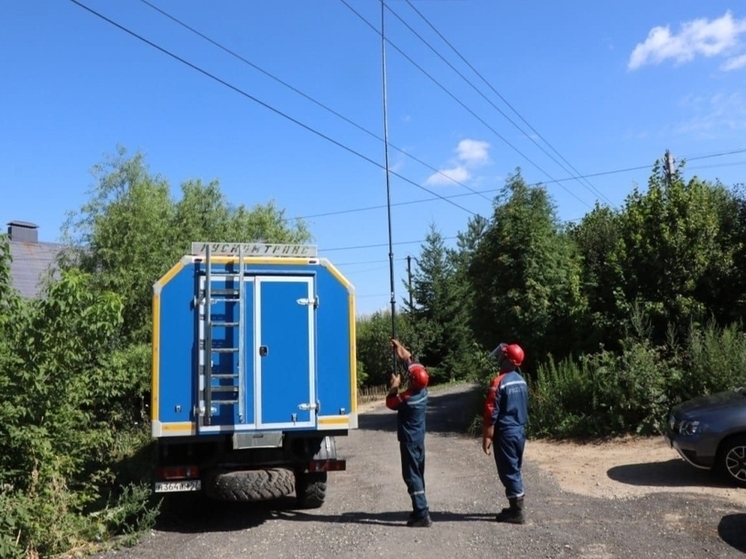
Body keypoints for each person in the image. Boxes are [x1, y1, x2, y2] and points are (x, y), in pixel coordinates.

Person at [386, 338, 432, 528]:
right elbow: (409, 360)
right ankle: (419, 508)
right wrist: (400, 348)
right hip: (418, 439)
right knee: (418, 474)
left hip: (409, 441)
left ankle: (422, 514)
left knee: (411, 476)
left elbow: (390, 403)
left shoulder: (407, 399)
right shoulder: (423, 390)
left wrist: (394, 385)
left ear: (412, 381)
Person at [482, 342, 528, 524]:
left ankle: (517, 512)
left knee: (508, 470)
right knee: (515, 467)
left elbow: (490, 411)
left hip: (506, 433)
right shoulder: (521, 380)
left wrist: (487, 436)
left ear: (506, 359)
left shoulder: (498, 381)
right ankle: (515, 506)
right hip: (519, 431)